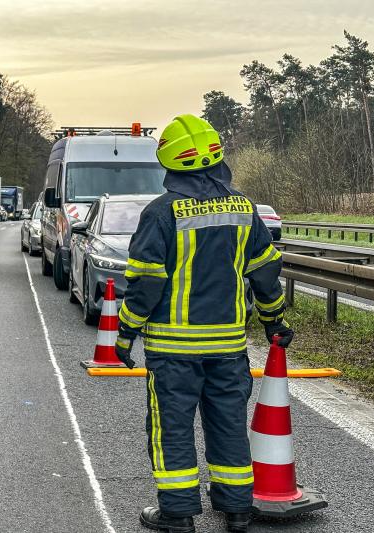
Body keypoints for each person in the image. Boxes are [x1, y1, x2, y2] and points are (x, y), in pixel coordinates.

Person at [114, 114, 293, 533]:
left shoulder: (161, 213)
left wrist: (125, 332)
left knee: (172, 429)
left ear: (169, 163)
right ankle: (237, 510)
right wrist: (274, 321)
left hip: (173, 351)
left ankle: (178, 515)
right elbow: (265, 272)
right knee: (228, 425)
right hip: (228, 347)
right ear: (218, 156)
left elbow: (146, 283)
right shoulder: (243, 208)